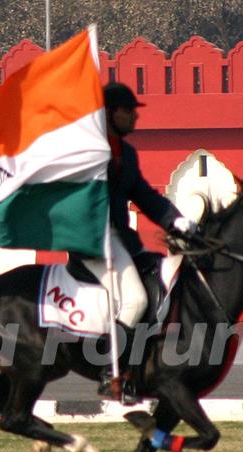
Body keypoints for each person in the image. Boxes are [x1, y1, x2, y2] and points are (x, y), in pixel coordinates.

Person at [79, 82, 196, 400]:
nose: (135, 118)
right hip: (92, 241)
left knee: (161, 279)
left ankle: (147, 366)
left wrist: (176, 219)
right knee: (135, 300)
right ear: (111, 114)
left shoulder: (126, 154)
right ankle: (111, 374)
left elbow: (143, 195)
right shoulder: (86, 154)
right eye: (129, 111)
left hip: (122, 241)